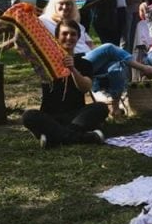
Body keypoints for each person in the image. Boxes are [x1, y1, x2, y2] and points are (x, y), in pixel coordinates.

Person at [40, 0, 152, 118]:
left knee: (116, 65)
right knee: (109, 47)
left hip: (87, 61)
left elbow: (90, 45)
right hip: (72, 60)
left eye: (69, 4)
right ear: (53, 5)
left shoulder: (77, 25)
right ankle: (145, 68)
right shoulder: (44, 21)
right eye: (61, 3)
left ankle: (115, 108)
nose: (65, 7)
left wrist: (100, 58)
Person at [22, 19, 109, 149]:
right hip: (51, 116)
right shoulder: (44, 62)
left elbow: (85, 88)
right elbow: (25, 48)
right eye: (64, 34)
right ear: (56, 37)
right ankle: (84, 137)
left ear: (78, 37)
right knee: (29, 116)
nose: (69, 37)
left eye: (73, 34)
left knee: (101, 107)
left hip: (76, 115)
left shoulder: (85, 63)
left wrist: (72, 69)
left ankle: (54, 138)